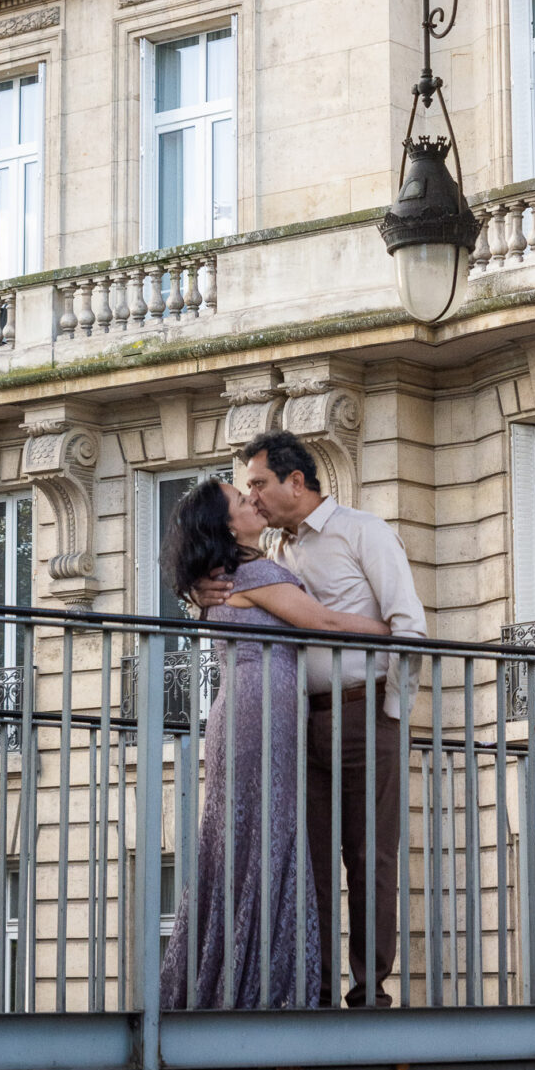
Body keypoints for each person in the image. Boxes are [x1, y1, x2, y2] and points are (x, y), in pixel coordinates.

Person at [196, 432, 427, 1009]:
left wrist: (390, 713)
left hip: (364, 712)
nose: (253, 495)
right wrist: (200, 586)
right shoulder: (273, 552)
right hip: (299, 723)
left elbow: (409, 626)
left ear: (295, 481)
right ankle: (318, 992)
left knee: (370, 857)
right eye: (246, 489)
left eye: (259, 483)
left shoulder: (363, 532)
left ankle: (369, 994)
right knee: (312, 863)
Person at [157, 477, 393, 1011]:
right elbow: (324, 622)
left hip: (249, 712)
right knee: (263, 840)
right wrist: (398, 631)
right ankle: (257, 990)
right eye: (242, 500)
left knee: (249, 843)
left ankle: (237, 982)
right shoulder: (254, 573)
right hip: (257, 714)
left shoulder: (222, 577)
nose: (253, 501)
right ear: (225, 526)